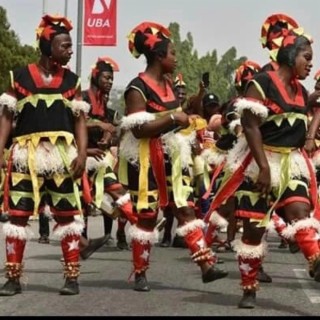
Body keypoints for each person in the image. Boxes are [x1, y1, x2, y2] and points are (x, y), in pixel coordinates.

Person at [207, 20, 320, 309]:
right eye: (307, 57)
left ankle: (315, 259)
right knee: (254, 231)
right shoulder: (261, 82)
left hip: (291, 162)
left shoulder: (300, 89)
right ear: (290, 55)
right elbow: (250, 124)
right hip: (260, 163)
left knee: (300, 211)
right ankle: (249, 288)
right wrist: (264, 167)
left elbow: (298, 122)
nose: (310, 64)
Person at [119, 21, 228, 292]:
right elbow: (139, 128)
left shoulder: (168, 84)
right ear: (158, 56)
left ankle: (206, 266)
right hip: (145, 161)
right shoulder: (137, 88)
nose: (176, 59)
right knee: (146, 216)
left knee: (185, 209)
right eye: (172, 53)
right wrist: (172, 118)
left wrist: (183, 122)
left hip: (173, 159)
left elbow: (178, 118)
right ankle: (141, 271)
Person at [0, 14, 89, 296]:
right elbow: (5, 117)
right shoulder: (20, 76)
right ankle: (13, 278)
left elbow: (79, 121)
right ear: (48, 46)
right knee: (18, 216)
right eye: (65, 46)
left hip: (62, 157)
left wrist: (83, 153)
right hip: (25, 155)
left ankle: (71, 278)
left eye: (70, 46)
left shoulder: (72, 81)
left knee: (67, 216)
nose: (70, 51)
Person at [82, 56, 140, 252]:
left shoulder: (104, 103)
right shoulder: (82, 98)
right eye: (106, 78)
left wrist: (107, 136)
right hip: (79, 156)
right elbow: (75, 125)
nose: (109, 82)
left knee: (117, 190)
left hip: (98, 157)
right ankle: (81, 242)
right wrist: (98, 126)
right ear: (96, 76)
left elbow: (109, 125)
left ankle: (140, 226)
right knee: (77, 203)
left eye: (112, 79)